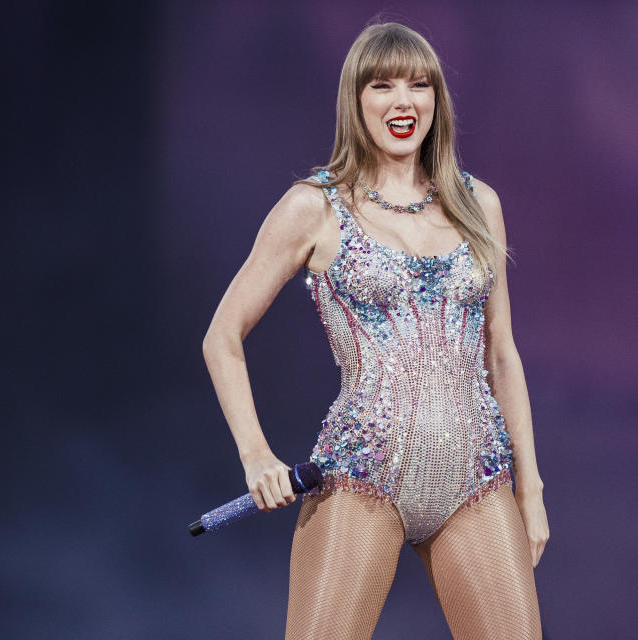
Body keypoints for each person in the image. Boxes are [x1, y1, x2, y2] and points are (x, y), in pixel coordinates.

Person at [202, 21, 550, 640]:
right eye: (383, 85)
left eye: (420, 85)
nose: (403, 101)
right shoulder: (314, 206)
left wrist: (533, 485)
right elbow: (222, 335)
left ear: (436, 100)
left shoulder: (478, 204)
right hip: (363, 478)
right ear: (355, 101)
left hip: (477, 478)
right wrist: (255, 454)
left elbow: (503, 355)